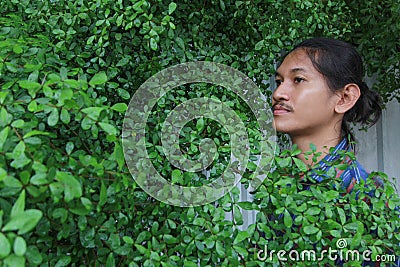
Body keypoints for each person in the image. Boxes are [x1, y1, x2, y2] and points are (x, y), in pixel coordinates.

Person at [271, 37, 399, 266]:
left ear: (344, 98)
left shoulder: (367, 199)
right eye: (279, 81)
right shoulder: (279, 189)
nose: (278, 93)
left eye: (298, 79)